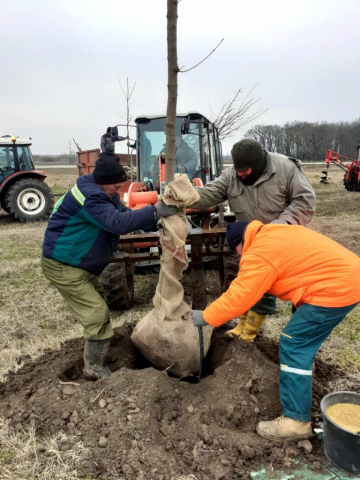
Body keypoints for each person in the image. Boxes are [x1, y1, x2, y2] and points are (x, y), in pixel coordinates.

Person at [191, 221, 360, 441]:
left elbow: (239, 297)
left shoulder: (259, 253)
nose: (239, 257)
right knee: (300, 341)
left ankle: (296, 422)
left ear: (241, 244)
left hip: (335, 288)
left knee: (294, 343)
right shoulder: (274, 233)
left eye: (237, 252)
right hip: (346, 277)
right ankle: (302, 372)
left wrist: (206, 316)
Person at [41, 152, 177, 380]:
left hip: (78, 264)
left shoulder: (102, 191)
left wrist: (151, 219)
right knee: (96, 313)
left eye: (120, 186)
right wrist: (154, 210)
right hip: (64, 264)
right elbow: (117, 223)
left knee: (99, 300)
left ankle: (99, 345)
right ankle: (93, 367)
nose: (118, 191)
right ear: (102, 182)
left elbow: (122, 212)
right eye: (115, 187)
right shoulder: (91, 196)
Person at [190, 138, 316, 342]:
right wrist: (181, 197)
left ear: (258, 164)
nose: (240, 174)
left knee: (280, 291)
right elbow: (210, 193)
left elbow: (305, 202)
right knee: (250, 286)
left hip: (283, 240)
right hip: (251, 242)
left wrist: (281, 225)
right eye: (237, 169)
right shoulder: (232, 175)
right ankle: (243, 328)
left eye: (245, 170)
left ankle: (271, 336)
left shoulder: (286, 168)